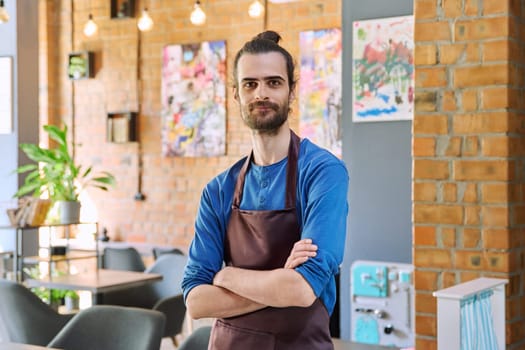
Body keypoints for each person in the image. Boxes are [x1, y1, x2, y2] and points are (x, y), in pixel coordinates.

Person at [181, 30, 349, 349]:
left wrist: (227, 277)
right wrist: (278, 281)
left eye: (273, 82)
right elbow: (196, 301)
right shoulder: (218, 190)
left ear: (291, 90)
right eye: (250, 84)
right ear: (236, 95)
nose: (261, 93)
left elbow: (301, 291)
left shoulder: (322, 173)